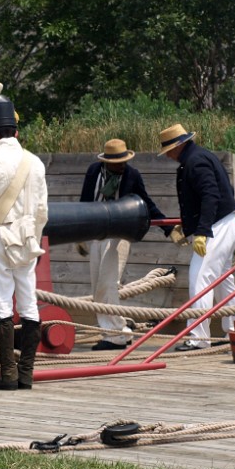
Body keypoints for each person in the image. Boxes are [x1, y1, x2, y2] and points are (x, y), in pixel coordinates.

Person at [0, 84, 49, 390]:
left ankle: (8, 375)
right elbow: (42, 210)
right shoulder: (36, 162)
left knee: (3, 307)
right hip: (28, 238)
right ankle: (27, 374)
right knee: (29, 306)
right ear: (16, 132)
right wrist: (33, 236)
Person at [79, 138, 173, 350]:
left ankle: (115, 336)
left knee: (108, 281)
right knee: (97, 286)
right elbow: (85, 201)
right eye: (118, 162)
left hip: (119, 233)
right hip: (96, 231)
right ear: (107, 161)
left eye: (124, 160)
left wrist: (168, 228)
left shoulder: (131, 175)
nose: (122, 165)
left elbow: (147, 203)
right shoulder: (94, 172)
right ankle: (115, 330)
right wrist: (80, 235)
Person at [159, 124, 235, 350]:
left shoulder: (195, 162)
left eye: (168, 150)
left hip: (216, 227)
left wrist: (202, 231)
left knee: (200, 279)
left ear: (178, 146)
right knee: (224, 281)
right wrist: (188, 229)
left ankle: (199, 337)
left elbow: (210, 196)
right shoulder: (198, 157)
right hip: (224, 223)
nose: (168, 155)